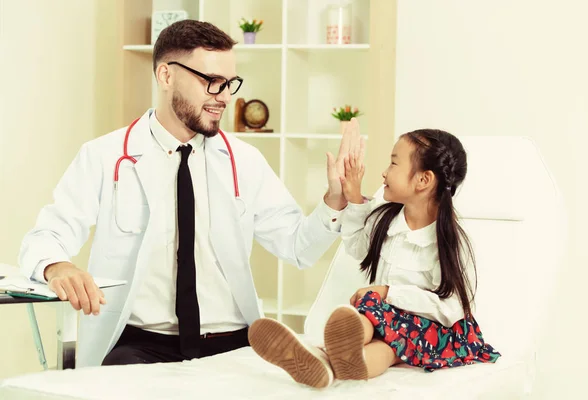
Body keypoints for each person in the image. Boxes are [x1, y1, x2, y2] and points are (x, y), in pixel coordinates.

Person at [17, 20, 364, 368]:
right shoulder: (104, 156)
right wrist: (57, 266)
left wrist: (334, 199)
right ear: (166, 76)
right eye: (212, 82)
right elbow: (46, 235)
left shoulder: (244, 161)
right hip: (140, 344)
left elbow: (298, 249)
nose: (225, 97)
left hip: (232, 342)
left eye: (229, 84)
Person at [248, 129, 500, 388]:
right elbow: (357, 246)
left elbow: (451, 309)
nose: (384, 172)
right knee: (376, 327)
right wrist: (353, 196)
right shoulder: (385, 219)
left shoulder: (447, 242)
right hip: (382, 320)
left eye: (393, 163)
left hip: (433, 333)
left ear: (423, 180)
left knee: (386, 341)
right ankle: (327, 363)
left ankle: (328, 352)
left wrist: (388, 292)